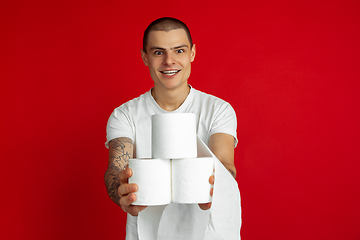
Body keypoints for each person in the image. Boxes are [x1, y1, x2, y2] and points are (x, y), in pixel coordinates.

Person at [104, 17, 239, 239]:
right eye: (158, 52)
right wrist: (121, 193)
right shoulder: (125, 114)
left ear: (192, 53)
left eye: (179, 51)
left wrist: (217, 186)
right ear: (144, 57)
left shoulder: (218, 109)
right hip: (148, 232)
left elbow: (225, 163)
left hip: (206, 232)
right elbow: (115, 169)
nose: (169, 61)